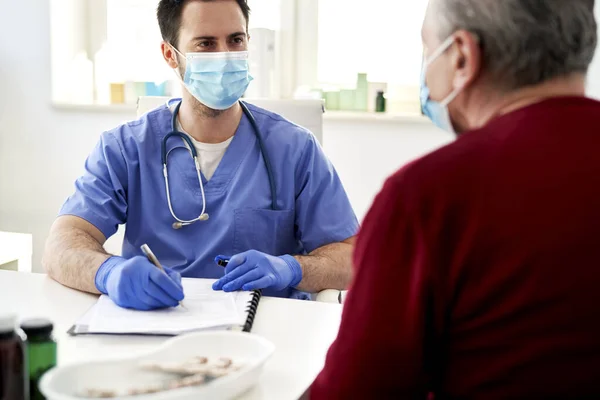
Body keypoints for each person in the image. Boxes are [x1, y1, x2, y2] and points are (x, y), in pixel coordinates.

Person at [308, 0, 600, 398]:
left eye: (428, 50)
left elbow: (357, 389)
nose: (426, 69)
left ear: (461, 56)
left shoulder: (427, 198)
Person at [42, 0, 358, 310]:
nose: (224, 57)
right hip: (155, 322)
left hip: (264, 329)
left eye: (236, 40)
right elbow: (61, 245)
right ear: (170, 54)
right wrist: (107, 273)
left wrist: (293, 268)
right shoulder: (125, 148)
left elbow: (354, 256)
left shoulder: (294, 149)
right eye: (206, 44)